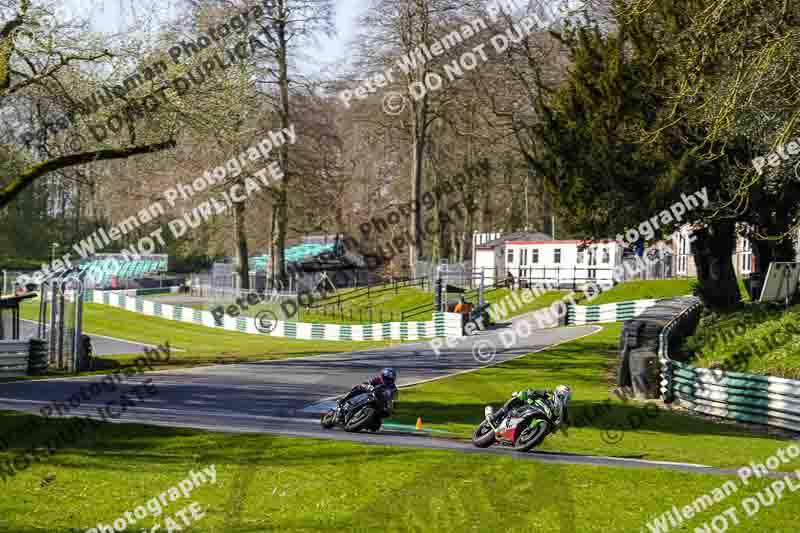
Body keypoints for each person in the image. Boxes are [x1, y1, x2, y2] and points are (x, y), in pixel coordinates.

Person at [490, 385, 572, 422]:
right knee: (520, 396)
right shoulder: (549, 393)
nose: (564, 400)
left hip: (536, 417)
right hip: (529, 405)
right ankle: (495, 416)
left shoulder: (562, 410)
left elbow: (564, 420)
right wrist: (530, 393)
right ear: (558, 393)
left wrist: (563, 422)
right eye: (563, 397)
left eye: (566, 398)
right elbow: (535, 392)